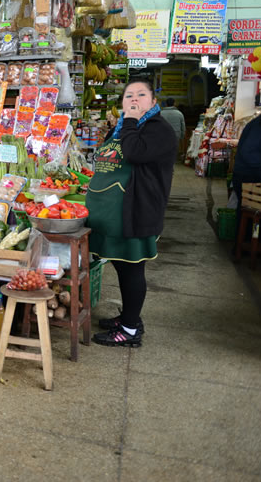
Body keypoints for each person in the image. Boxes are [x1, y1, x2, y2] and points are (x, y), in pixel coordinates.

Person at [86, 79, 177, 347]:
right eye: (128, 96)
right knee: (122, 267)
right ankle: (128, 317)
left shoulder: (158, 129)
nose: (134, 100)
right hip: (114, 213)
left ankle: (129, 329)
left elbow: (134, 153)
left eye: (141, 95)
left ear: (153, 101)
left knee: (132, 268)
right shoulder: (125, 128)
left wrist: (128, 123)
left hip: (136, 213)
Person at [231, 107, 261, 230]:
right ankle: (248, 244)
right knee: (251, 215)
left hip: (252, 176)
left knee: (251, 215)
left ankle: (251, 243)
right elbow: (248, 151)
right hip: (248, 177)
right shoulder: (260, 126)